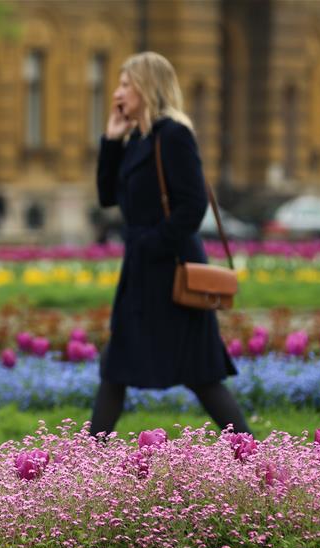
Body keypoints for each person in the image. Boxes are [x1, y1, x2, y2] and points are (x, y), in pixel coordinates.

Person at [89, 51, 252, 438]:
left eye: (126, 84)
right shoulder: (137, 138)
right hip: (141, 273)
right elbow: (108, 197)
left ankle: (252, 456)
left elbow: (193, 205)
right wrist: (111, 141)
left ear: (148, 88)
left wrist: (150, 243)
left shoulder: (174, 135)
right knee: (116, 368)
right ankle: (83, 463)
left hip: (173, 274)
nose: (118, 92)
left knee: (202, 375)